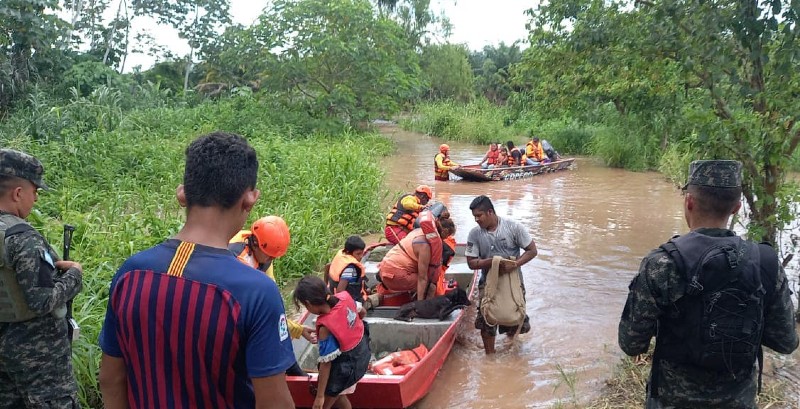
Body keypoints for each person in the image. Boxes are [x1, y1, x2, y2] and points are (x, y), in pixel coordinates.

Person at [98, 132, 295, 409]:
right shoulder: (255, 292)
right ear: (249, 200)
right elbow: (274, 404)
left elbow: (110, 379)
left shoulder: (131, 274)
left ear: (182, 194)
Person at [618, 160, 798, 409]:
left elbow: (631, 343)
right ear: (736, 207)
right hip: (738, 401)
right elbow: (786, 342)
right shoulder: (765, 262)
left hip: (672, 400)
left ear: (689, 201)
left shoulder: (662, 262)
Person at [0, 149, 84, 408]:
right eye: (35, 191)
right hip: (39, 358)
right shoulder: (23, 238)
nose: (35, 199)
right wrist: (74, 276)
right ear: (18, 193)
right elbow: (41, 300)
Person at [229, 215, 317, 376]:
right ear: (255, 244)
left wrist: (295, 329)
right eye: (269, 255)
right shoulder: (238, 262)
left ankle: (291, 368)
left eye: (274, 256)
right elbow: (257, 308)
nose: (272, 259)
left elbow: (273, 302)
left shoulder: (264, 251)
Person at [465, 195, 538, 354]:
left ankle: (511, 353)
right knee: (486, 321)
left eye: (479, 215)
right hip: (488, 281)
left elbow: (532, 251)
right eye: (474, 217)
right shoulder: (475, 234)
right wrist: (493, 262)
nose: (477, 219)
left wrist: (515, 264)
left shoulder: (513, 228)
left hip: (513, 281)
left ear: (490, 212)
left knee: (514, 319)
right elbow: (471, 263)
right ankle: (490, 359)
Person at [293, 276, 370, 409]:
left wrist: (320, 396)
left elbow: (326, 364)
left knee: (323, 405)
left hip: (346, 370)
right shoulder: (344, 297)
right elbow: (362, 312)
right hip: (362, 355)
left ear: (308, 303)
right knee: (340, 396)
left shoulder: (325, 328)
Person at [378, 216, 452, 302]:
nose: (446, 239)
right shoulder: (425, 245)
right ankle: (422, 311)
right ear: (445, 231)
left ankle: (378, 298)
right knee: (431, 287)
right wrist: (419, 303)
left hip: (383, 270)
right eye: (448, 235)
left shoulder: (418, 231)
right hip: (396, 275)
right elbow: (422, 278)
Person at [327, 235, 367, 304]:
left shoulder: (342, 255)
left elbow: (327, 266)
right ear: (349, 252)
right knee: (379, 296)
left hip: (333, 294)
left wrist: (326, 285)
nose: (361, 256)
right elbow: (340, 291)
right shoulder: (350, 269)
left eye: (362, 253)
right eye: (358, 254)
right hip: (350, 304)